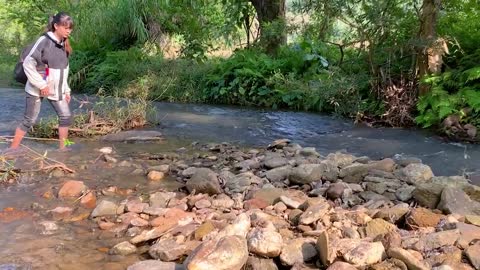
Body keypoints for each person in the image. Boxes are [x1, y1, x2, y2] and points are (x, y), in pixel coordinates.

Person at [9, 12, 74, 152]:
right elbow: (28, 63)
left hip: (56, 90)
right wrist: (42, 85)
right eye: (66, 27)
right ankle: (12, 150)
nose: (69, 31)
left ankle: (64, 148)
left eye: (70, 28)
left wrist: (66, 89)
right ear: (56, 26)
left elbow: (64, 69)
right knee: (29, 121)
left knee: (66, 117)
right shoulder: (43, 41)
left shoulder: (64, 44)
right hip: (37, 88)